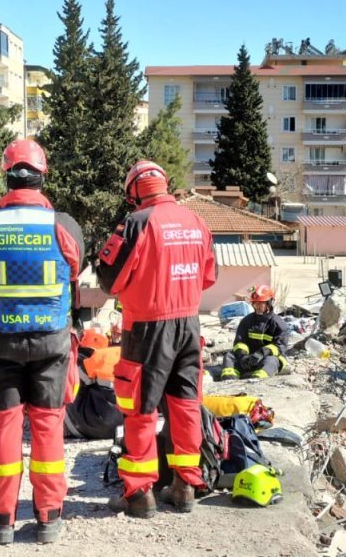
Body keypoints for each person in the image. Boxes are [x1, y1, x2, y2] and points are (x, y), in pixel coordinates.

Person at [0, 138, 84, 545]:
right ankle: (49, 516)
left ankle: (1, 521)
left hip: (1, 343)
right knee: (49, 428)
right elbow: (75, 267)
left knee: (5, 428)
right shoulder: (63, 225)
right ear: (41, 174)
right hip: (51, 344)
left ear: (7, 173)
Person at [96, 160, 216, 518]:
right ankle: (184, 487)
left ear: (133, 191)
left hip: (147, 329)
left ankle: (139, 494)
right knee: (185, 406)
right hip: (189, 326)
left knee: (140, 410)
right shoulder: (196, 221)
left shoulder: (135, 224)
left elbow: (108, 281)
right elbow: (208, 276)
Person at [220, 285, 289, 380]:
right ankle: (230, 380)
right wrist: (243, 356)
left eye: (261, 303)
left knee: (272, 360)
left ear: (269, 303)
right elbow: (240, 343)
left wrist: (262, 353)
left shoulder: (279, 324)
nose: (257, 306)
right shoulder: (247, 321)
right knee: (229, 356)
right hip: (249, 359)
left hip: (267, 358)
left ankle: (257, 379)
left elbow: (280, 347)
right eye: (255, 303)